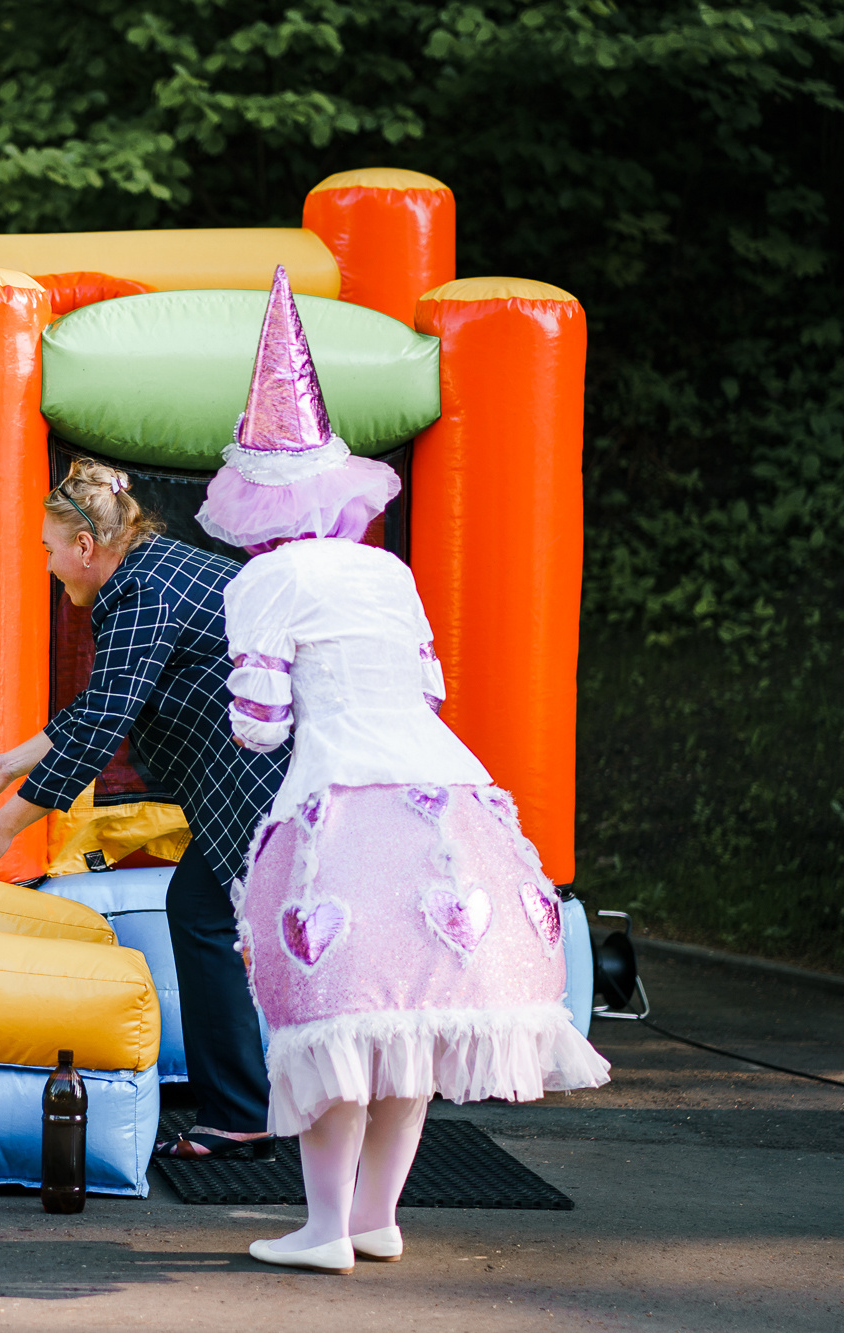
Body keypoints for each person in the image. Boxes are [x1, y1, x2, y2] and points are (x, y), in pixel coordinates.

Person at [199, 266, 610, 1275]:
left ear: (252, 497)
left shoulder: (263, 579)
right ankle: (376, 1217)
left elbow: (258, 725)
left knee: (331, 1016)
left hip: (339, 803)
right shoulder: (389, 572)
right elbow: (425, 689)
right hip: (446, 801)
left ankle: (321, 1228)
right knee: (407, 1020)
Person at [0, 460, 289, 1156]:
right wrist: (12, 762)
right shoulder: (149, 569)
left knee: (206, 912)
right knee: (208, 910)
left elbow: (105, 718)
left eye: (48, 549)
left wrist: (5, 826)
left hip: (268, 766)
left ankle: (243, 1114)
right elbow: (106, 698)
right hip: (265, 764)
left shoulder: (142, 590)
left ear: (84, 546)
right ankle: (250, 1108)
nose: (47, 565)